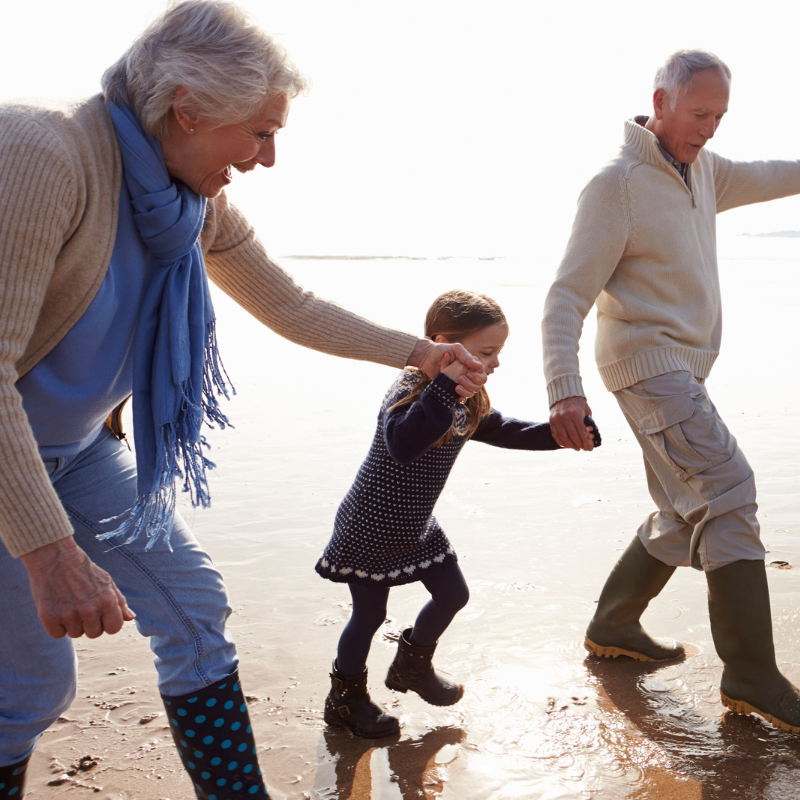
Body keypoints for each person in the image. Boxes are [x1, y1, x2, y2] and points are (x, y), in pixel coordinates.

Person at [0, 3, 489, 798]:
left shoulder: (185, 198)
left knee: (195, 613)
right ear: (187, 107)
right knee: (27, 688)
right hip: (7, 457)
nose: (266, 158)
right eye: (260, 132)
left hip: (75, 448)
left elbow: (289, 304)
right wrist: (51, 555)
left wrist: (421, 353)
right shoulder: (40, 154)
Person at [541, 49, 800, 734]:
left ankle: (615, 624)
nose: (709, 127)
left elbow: (777, 174)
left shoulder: (704, 170)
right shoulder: (618, 183)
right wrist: (563, 390)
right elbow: (567, 294)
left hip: (680, 370)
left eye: (719, 115)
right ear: (660, 103)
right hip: (645, 365)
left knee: (689, 506)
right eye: (698, 113)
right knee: (727, 487)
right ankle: (749, 672)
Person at [316, 290, 600, 738]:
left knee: (453, 595)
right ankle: (345, 701)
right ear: (444, 344)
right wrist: (445, 385)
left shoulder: (468, 398)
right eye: (486, 352)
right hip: (371, 524)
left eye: (498, 353)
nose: (495, 364)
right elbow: (404, 443)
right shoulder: (411, 386)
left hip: (415, 525)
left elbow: (499, 428)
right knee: (368, 617)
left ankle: (412, 667)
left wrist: (559, 434)